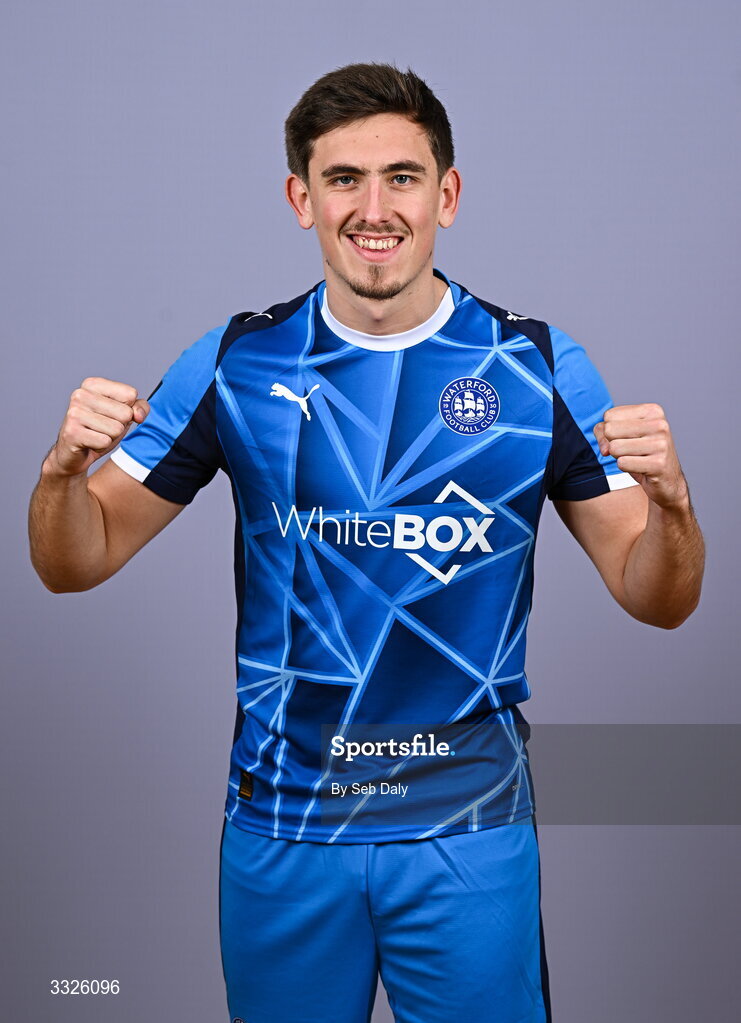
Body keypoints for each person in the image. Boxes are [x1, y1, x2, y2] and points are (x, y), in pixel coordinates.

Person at [28, 62, 705, 1023]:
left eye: (402, 176)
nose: (374, 206)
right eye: (343, 178)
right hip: (285, 824)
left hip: (466, 827)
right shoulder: (237, 362)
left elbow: (660, 597)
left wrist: (674, 506)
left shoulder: (535, 366)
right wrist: (58, 475)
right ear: (301, 197)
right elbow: (73, 561)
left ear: (447, 194)